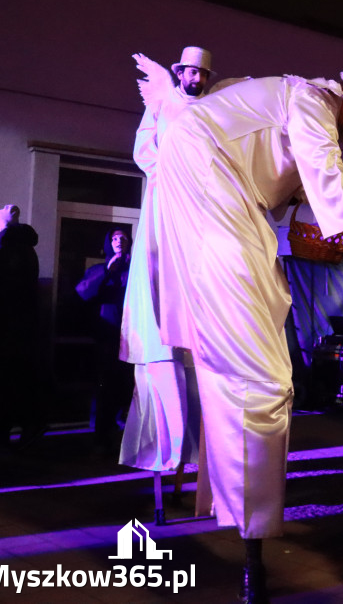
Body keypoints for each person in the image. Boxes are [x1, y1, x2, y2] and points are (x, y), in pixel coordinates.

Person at [153, 59, 343, 603]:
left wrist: (307, 209)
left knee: (265, 321)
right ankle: (249, 516)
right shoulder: (311, 101)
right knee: (263, 375)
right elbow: (323, 162)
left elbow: (294, 178)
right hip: (208, 179)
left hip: (217, 186)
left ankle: (239, 496)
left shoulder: (291, 105)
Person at [119, 47, 213, 475]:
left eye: (201, 72)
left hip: (196, 206)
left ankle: (196, 450)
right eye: (190, 70)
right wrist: (167, 171)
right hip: (167, 199)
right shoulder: (163, 104)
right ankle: (169, 446)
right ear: (179, 73)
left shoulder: (211, 110)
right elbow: (144, 149)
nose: (195, 77)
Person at [0, 204, 41, 449]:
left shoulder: (12, 252)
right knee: (11, 381)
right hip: (13, 329)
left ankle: (14, 429)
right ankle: (13, 429)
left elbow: (3, 293)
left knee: (7, 380)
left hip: (7, 331)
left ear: (3, 226)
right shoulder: (21, 250)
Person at [76, 228, 133, 454]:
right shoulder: (99, 269)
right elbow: (82, 294)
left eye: (123, 238)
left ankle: (119, 433)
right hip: (106, 336)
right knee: (105, 385)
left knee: (125, 385)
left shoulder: (135, 271)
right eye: (115, 238)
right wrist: (107, 272)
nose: (119, 241)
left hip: (130, 337)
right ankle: (101, 435)